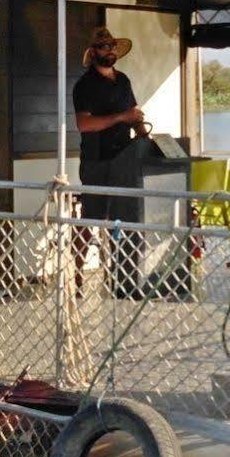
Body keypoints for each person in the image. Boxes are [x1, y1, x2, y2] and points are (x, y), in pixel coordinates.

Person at [71, 27, 148, 291]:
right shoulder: (84, 85)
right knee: (90, 219)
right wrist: (120, 118)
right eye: (104, 46)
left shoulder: (123, 80)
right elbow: (84, 124)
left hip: (124, 159)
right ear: (93, 53)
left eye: (113, 45)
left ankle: (121, 274)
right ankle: (77, 273)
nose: (110, 50)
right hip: (96, 160)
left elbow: (133, 114)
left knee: (122, 217)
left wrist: (142, 134)